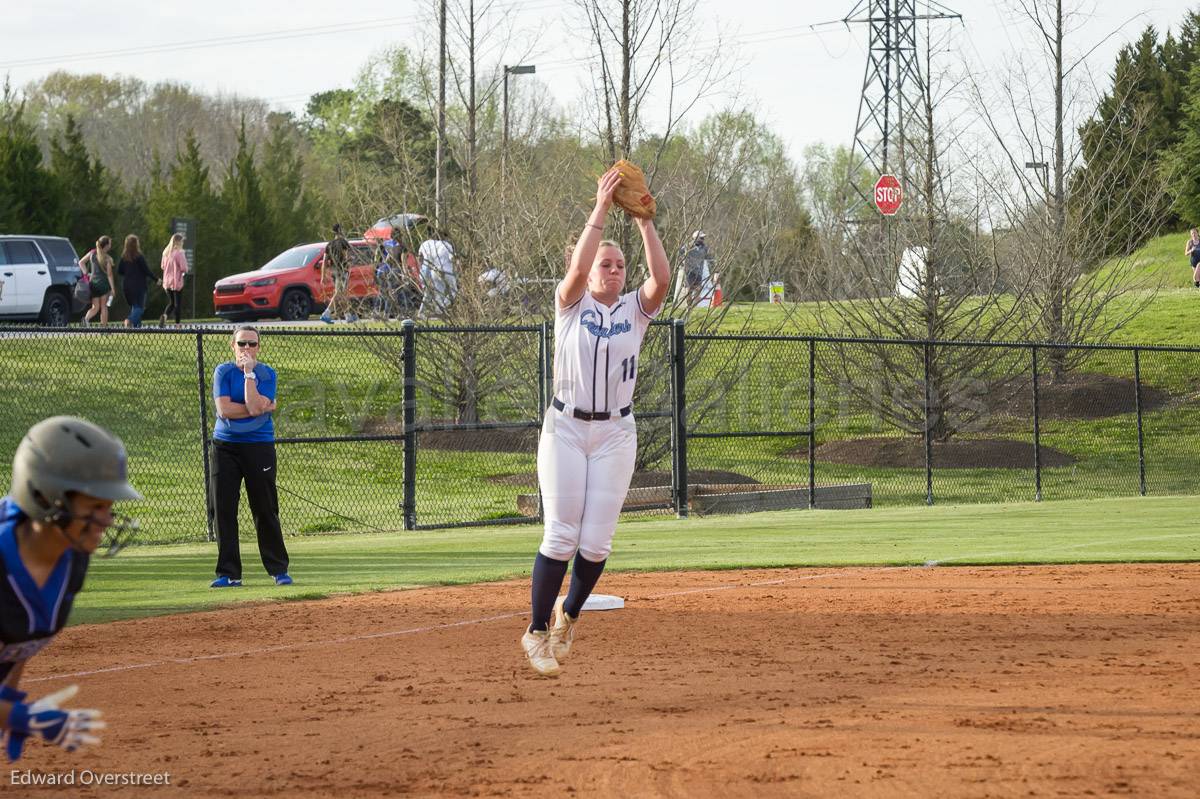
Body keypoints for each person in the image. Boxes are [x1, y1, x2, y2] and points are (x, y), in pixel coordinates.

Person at [520, 166, 670, 677]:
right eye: (607, 263)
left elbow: (662, 280)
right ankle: (537, 631)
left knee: (597, 542)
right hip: (564, 428)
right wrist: (603, 209)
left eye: (619, 264)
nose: (615, 270)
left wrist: (646, 221)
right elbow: (580, 271)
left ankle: (567, 619)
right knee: (561, 535)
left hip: (614, 433)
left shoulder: (635, 310)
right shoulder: (571, 302)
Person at [0, 416, 142, 761]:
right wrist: (21, 716)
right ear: (46, 497)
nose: (107, 521)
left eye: (109, 507)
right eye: (95, 506)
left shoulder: (71, 554)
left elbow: (16, 644)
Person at [209, 325, 292, 588]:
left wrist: (248, 375)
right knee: (223, 509)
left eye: (252, 344)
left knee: (265, 508)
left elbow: (256, 407)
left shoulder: (267, 374)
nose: (247, 349)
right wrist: (260, 408)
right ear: (232, 346)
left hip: (259, 446)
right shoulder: (222, 371)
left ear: (259, 347)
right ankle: (229, 573)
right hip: (225, 447)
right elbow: (224, 410)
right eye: (242, 343)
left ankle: (278, 570)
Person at [117, 234, 155, 328]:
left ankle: (137, 328)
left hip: (127, 286)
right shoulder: (139, 257)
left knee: (135, 306)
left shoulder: (124, 258)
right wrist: (156, 279)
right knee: (140, 308)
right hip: (139, 286)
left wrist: (129, 273)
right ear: (136, 244)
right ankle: (129, 320)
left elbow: (119, 271)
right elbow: (146, 270)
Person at [417, 230, 457, 318]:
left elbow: (420, 258)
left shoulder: (427, 244)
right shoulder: (447, 245)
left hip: (431, 270)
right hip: (446, 270)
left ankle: (432, 312)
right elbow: (452, 259)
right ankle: (441, 308)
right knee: (454, 291)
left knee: (436, 292)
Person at [320, 224, 353, 324]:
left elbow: (324, 261)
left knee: (341, 293)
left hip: (333, 271)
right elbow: (348, 257)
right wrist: (349, 260)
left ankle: (348, 316)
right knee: (339, 292)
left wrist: (323, 276)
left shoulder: (329, 245)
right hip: (342, 270)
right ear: (340, 230)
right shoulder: (344, 243)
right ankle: (326, 313)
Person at [79, 236, 115, 326]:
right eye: (110, 243)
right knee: (104, 306)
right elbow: (109, 275)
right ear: (106, 246)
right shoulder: (107, 259)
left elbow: (81, 262)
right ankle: (104, 328)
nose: (111, 245)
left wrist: (86, 273)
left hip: (93, 284)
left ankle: (86, 319)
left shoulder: (92, 253)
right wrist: (113, 289)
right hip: (103, 285)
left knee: (95, 307)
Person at [159, 233, 189, 326]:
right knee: (177, 304)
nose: (183, 243)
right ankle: (177, 323)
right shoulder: (179, 253)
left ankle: (165, 316)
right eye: (182, 241)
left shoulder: (166, 253)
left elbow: (162, 266)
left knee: (171, 302)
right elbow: (184, 268)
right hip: (177, 281)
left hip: (167, 282)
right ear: (178, 242)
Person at [680, 230, 713, 306]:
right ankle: (689, 305)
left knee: (698, 289)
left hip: (699, 272)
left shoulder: (704, 248)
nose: (703, 240)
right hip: (689, 272)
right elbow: (680, 253)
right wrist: (683, 262)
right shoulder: (688, 246)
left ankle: (694, 306)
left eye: (703, 238)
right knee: (689, 291)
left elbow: (709, 258)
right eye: (701, 238)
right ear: (696, 238)